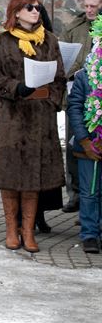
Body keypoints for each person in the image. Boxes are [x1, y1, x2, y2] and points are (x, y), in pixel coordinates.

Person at [0, 0, 66, 253]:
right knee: (9, 177)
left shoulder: (49, 40)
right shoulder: (1, 41)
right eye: (29, 7)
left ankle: (28, 232)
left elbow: (59, 78)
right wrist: (15, 87)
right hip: (11, 118)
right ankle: (11, 230)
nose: (35, 11)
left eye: (38, 7)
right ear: (16, 12)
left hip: (41, 118)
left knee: (33, 178)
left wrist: (52, 101)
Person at [60, 0, 102, 213]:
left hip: (98, 99)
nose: (89, 10)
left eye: (93, 6)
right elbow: (61, 59)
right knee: (74, 146)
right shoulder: (74, 28)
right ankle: (76, 195)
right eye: (86, 6)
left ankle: (93, 202)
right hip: (76, 95)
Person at [66, 46, 102, 253]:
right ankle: (89, 234)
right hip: (88, 144)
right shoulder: (85, 76)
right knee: (89, 192)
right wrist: (85, 141)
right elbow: (75, 108)